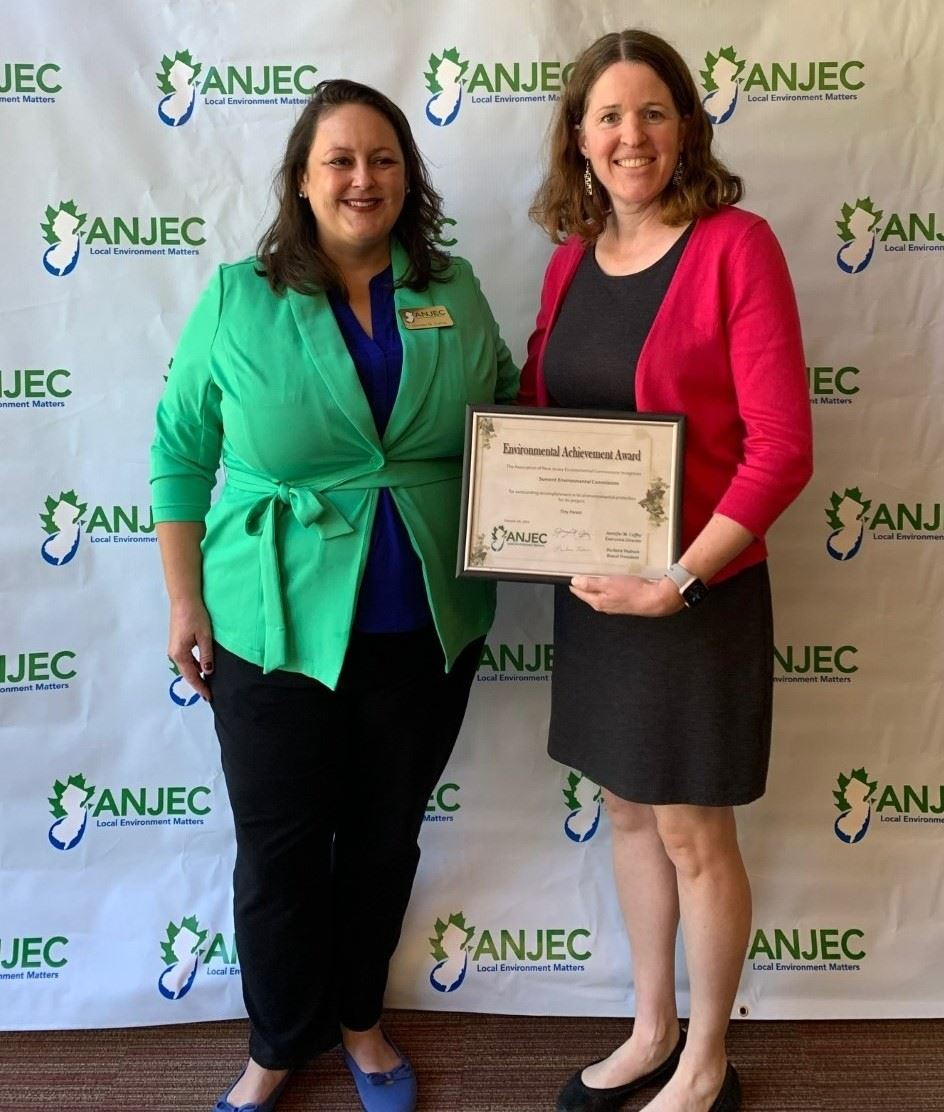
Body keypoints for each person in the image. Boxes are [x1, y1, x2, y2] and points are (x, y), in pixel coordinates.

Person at [150, 78, 517, 1112]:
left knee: (382, 836)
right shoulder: (239, 295)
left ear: (409, 176)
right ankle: (276, 1040)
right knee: (277, 848)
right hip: (270, 628)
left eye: (384, 159)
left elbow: (506, 412)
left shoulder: (455, 286)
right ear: (302, 183)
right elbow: (181, 451)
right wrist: (184, 600)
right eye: (340, 161)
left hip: (423, 625)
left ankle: (359, 1017)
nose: (364, 178)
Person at [520, 30, 812, 1112]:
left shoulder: (738, 245)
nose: (629, 135)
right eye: (607, 115)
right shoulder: (565, 260)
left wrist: (676, 580)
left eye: (651, 112)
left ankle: (706, 1056)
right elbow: (547, 419)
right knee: (627, 811)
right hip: (597, 597)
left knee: (694, 831)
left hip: (697, 595)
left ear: (685, 125)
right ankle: (649, 1028)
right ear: (579, 139)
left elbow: (783, 446)